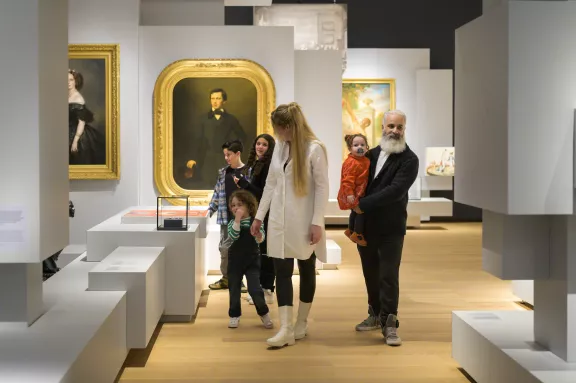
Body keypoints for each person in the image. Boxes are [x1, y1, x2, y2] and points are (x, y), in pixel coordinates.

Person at [251, 102, 329, 348]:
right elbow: (271, 184)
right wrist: (259, 216)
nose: (276, 134)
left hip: (304, 221)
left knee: (306, 269)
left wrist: (317, 222)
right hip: (279, 221)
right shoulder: (280, 149)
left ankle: (301, 323)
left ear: (289, 127)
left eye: (278, 129)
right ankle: (285, 328)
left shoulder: (314, 149)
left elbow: (322, 188)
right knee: (281, 272)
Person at [353, 109, 419, 347]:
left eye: (399, 127)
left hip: (391, 227)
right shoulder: (370, 154)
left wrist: (361, 204)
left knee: (388, 275)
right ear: (382, 127)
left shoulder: (410, 160)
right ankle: (375, 314)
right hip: (366, 227)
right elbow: (358, 183)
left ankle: (390, 323)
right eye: (391, 126)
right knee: (370, 272)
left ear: (404, 129)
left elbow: (395, 191)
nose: (394, 131)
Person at [235, 134, 277, 305]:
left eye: (264, 144)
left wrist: (245, 185)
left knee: (266, 252)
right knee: (259, 251)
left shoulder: (268, 165)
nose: (260, 147)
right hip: (259, 212)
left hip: (267, 214)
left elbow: (264, 192)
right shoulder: (257, 164)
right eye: (258, 143)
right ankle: (260, 288)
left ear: (270, 147)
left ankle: (267, 290)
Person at [226, 189, 274, 329]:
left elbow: (261, 239)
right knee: (234, 288)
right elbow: (233, 235)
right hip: (234, 261)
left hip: (252, 260)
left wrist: (258, 235)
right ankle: (234, 315)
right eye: (233, 205)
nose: (236, 208)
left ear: (249, 206)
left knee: (255, 289)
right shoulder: (232, 223)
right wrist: (237, 220)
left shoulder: (256, 222)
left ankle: (264, 313)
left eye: (239, 204)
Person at [207, 140, 248, 292]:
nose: (226, 158)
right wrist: (209, 211)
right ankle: (226, 278)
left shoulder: (247, 172)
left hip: (243, 220)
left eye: (229, 155)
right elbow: (217, 194)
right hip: (226, 218)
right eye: (225, 155)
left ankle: (240, 280)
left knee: (241, 250)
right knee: (224, 249)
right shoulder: (223, 172)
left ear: (238, 154)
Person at [186, 88, 247, 186]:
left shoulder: (231, 119)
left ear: (224, 101)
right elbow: (196, 140)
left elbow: (242, 137)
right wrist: (193, 158)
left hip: (225, 160)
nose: (214, 101)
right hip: (205, 161)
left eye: (218, 98)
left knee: (225, 187)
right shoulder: (202, 119)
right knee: (206, 186)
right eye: (212, 98)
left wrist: (232, 151)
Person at [337, 134, 370, 246]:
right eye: (356, 145)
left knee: (354, 212)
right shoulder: (352, 162)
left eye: (362, 144)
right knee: (361, 211)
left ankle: (350, 230)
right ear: (350, 149)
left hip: (358, 192)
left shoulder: (364, 159)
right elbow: (347, 180)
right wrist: (350, 194)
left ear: (367, 147)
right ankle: (358, 233)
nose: (359, 147)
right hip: (352, 194)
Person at [68, 69, 105, 165]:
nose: (68, 82)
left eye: (71, 80)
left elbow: (81, 122)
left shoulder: (78, 99)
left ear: (76, 81)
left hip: (77, 133)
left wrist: (75, 140)